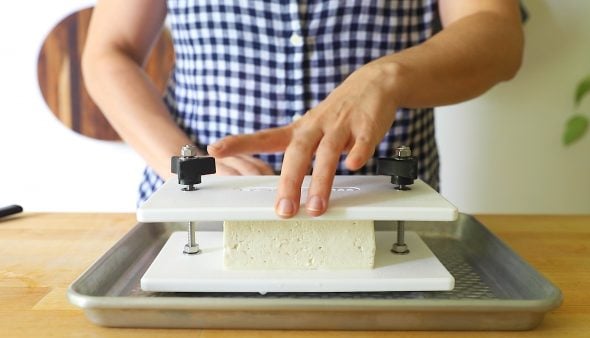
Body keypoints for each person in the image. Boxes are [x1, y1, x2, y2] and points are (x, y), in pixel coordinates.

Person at [83, 0, 523, 218]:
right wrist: (184, 164)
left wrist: (388, 76)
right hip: (198, 216)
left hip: (389, 222)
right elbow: (108, 52)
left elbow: (499, 36)